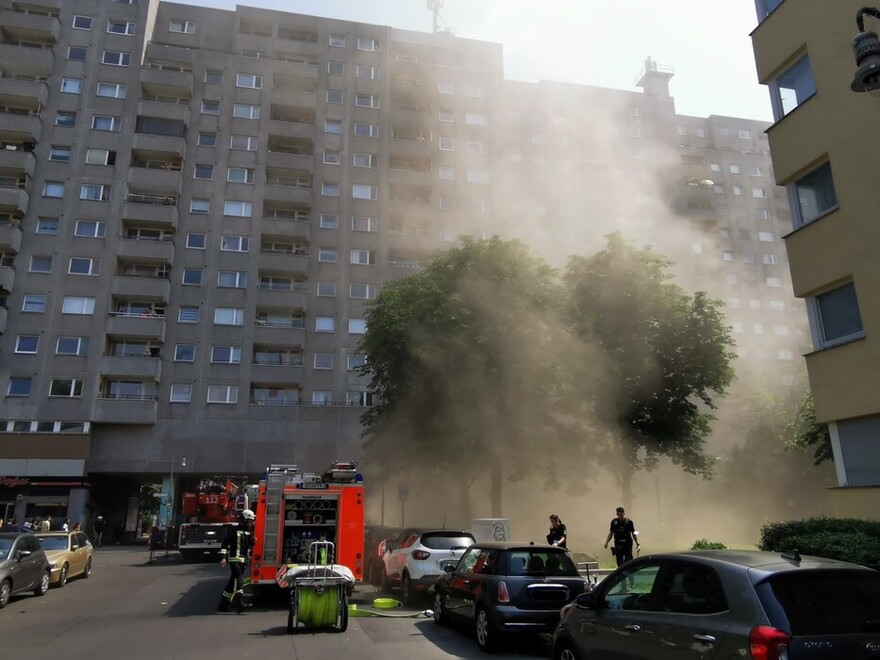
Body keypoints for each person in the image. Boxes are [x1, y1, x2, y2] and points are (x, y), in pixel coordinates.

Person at [217, 509, 256, 613]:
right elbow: (225, 543)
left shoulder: (247, 532)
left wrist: (252, 542)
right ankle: (239, 603)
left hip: (242, 560)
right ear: (243, 519)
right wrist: (223, 557)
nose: (251, 523)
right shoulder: (233, 530)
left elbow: (246, 546)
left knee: (232, 583)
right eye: (249, 521)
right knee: (238, 579)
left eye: (252, 521)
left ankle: (223, 605)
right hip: (234, 559)